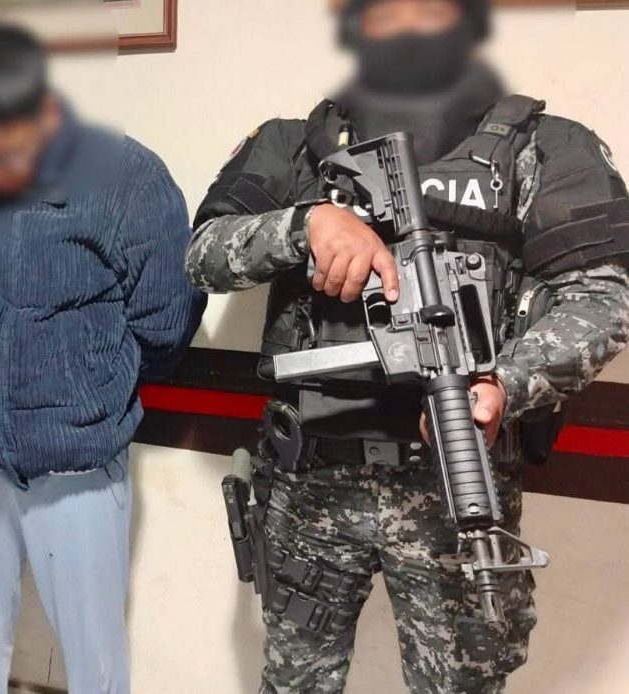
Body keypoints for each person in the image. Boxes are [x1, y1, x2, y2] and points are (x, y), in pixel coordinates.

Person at [186, 1, 629, 692]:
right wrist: (306, 225)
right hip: (308, 484)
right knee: (294, 682)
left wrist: (507, 383)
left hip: (453, 481)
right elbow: (203, 255)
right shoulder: (294, 144)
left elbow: (602, 298)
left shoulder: (543, 147)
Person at [0, 19, 206, 694]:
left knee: (93, 655)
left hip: (76, 462)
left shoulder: (127, 178)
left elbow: (165, 320)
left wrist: (85, 390)